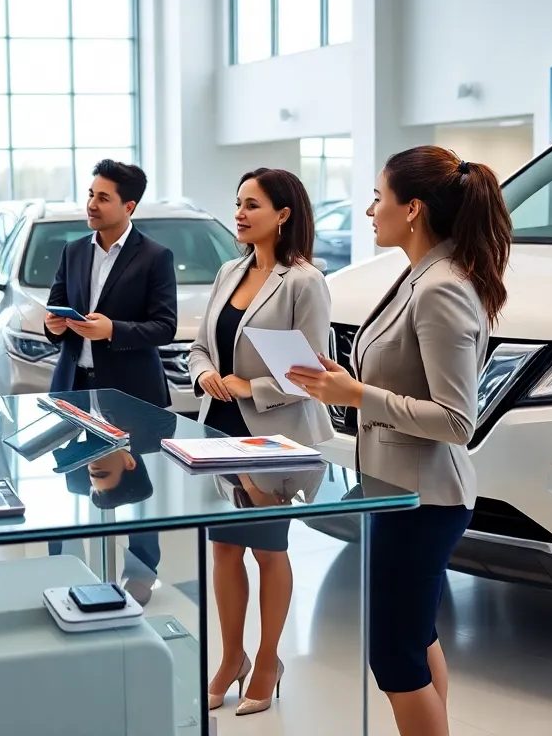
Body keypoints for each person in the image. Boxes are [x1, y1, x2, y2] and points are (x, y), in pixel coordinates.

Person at [287, 147, 512, 736]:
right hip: (397, 492)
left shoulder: (442, 287)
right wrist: (336, 383)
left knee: (394, 655)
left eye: (378, 198)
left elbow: (457, 421)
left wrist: (358, 395)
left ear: (412, 209)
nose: (368, 210)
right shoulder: (418, 275)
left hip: (426, 500)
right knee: (414, 639)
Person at [187, 168, 333, 716]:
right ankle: (231, 658)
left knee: (269, 550)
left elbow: (313, 373)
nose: (240, 213)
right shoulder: (230, 270)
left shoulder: (304, 281)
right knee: (224, 548)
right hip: (219, 429)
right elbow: (200, 347)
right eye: (238, 203)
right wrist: (205, 376)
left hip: (273, 436)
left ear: (283, 214)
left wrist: (252, 386)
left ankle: (268, 660)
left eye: (252, 204)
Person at [43, 159, 177, 593]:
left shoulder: (156, 257)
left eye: (103, 197)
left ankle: (140, 576)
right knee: (70, 487)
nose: (92, 204)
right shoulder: (74, 250)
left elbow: (165, 326)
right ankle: (64, 573)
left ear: (129, 205)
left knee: (138, 492)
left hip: (132, 395)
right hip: (74, 390)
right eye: (90, 194)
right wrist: (54, 325)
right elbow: (55, 307)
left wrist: (112, 330)